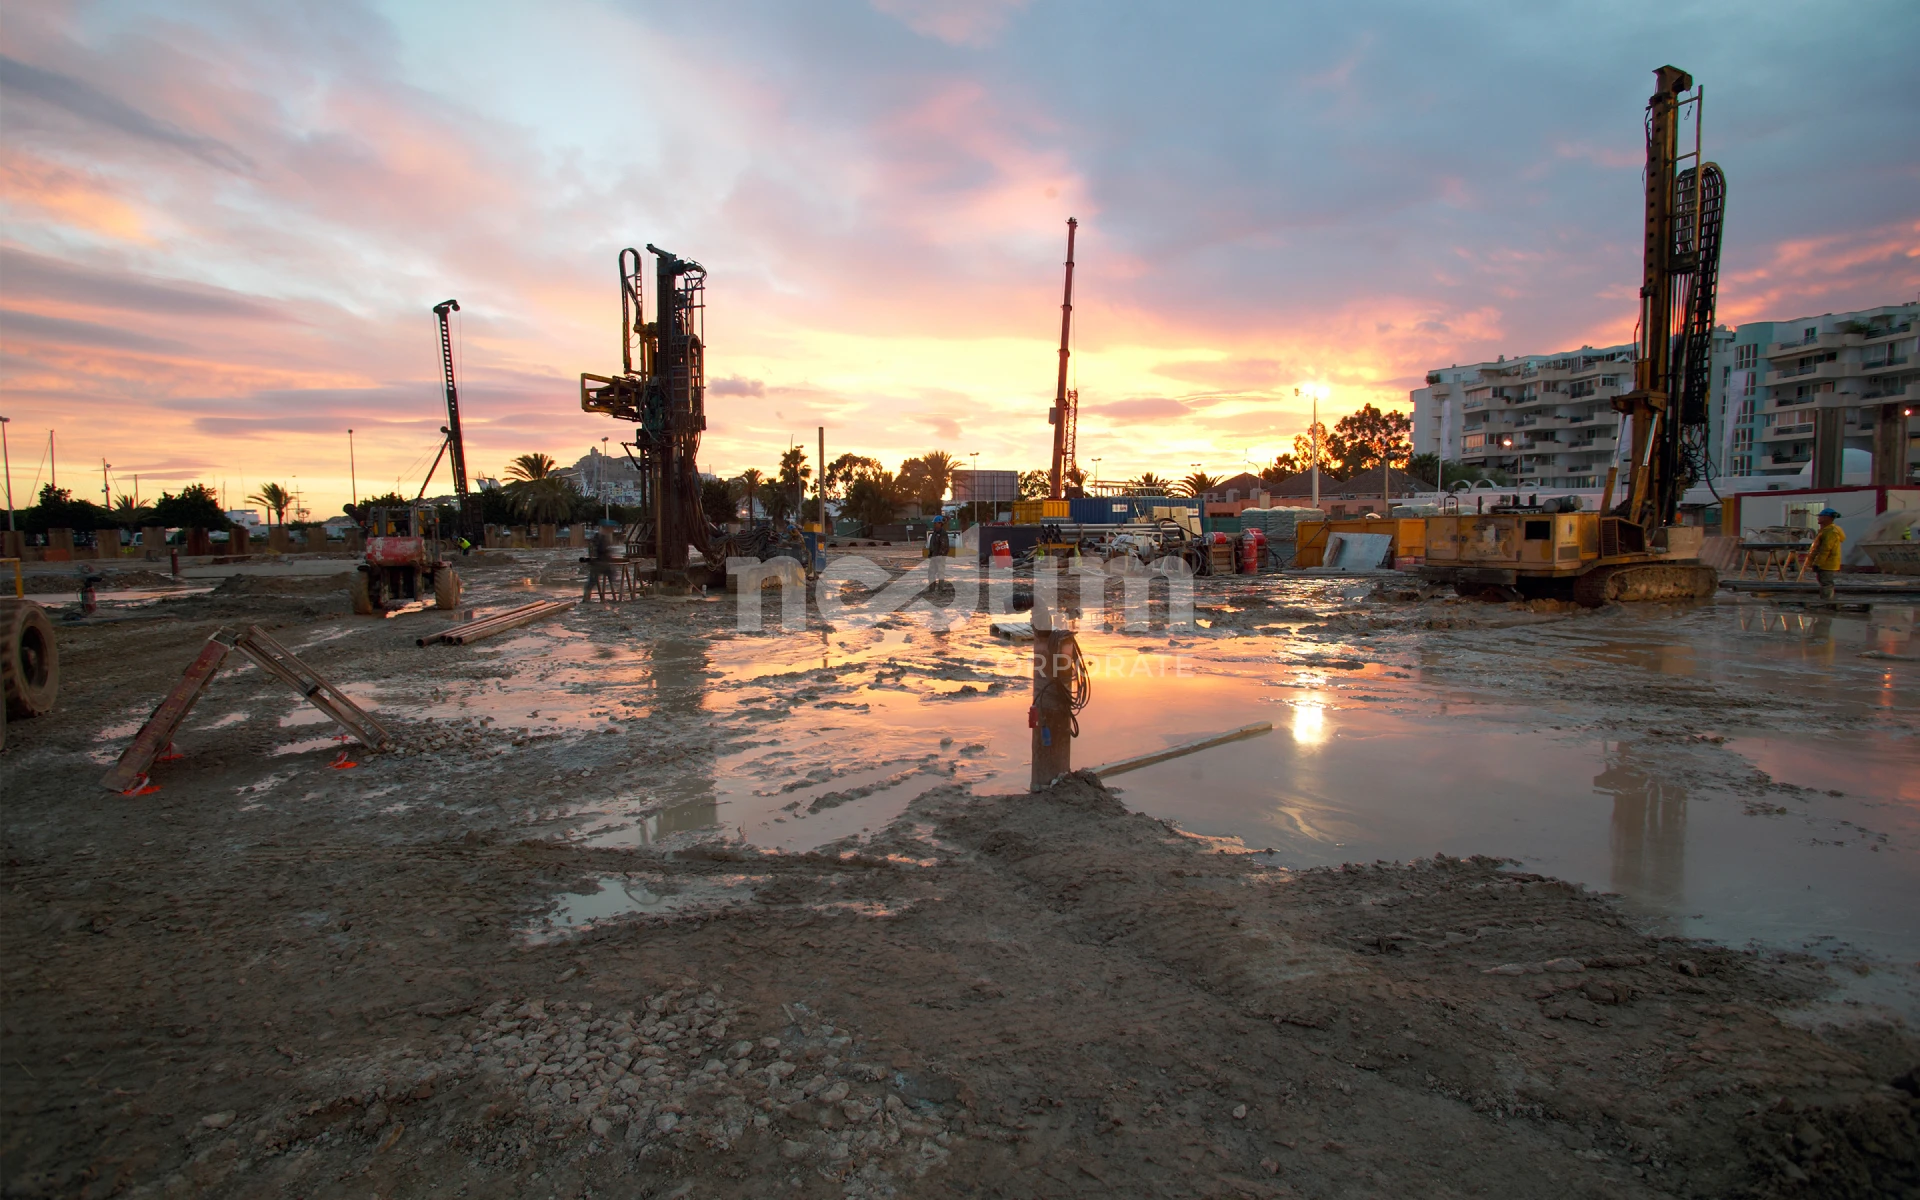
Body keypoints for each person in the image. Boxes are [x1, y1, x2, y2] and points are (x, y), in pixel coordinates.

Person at [1808, 508, 1844, 602]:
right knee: (1824, 582)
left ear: (1827, 517)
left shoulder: (1830, 532)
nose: (1818, 518)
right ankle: (1826, 600)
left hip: (1827, 563)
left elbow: (1826, 549)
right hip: (1826, 562)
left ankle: (1827, 602)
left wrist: (1818, 563)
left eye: (1821, 516)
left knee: (1826, 583)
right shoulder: (1826, 530)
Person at [926, 515, 950, 589]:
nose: (934, 525)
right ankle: (932, 588)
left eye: (935, 523)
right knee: (931, 572)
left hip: (940, 557)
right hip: (934, 556)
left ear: (940, 523)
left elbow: (944, 546)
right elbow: (933, 544)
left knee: (941, 573)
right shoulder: (935, 533)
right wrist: (930, 553)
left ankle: (940, 588)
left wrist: (941, 555)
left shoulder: (942, 533)